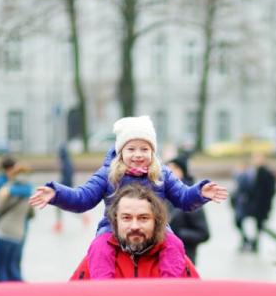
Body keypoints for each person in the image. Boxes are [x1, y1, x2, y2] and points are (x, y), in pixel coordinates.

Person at [29, 115, 227, 279]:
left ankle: (170, 286)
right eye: (131, 149)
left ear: (153, 152)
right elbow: (83, 197)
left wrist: (200, 192)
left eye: (144, 149)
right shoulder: (108, 173)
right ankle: (103, 290)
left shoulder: (161, 173)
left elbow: (183, 197)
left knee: (174, 244)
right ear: (120, 151)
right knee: (99, 247)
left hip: (155, 227)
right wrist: (57, 193)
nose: (138, 154)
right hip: (112, 227)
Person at [71, 183, 199, 279]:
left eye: (143, 218)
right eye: (126, 218)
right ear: (115, 221)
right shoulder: (97, 257)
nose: (134, 226)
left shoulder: (176, 257)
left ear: (157, 221)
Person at [0, 158, 33, 282]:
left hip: (5, 232)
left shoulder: (7, 186)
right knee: (14, 268)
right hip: (20, 233)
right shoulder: (28, 187)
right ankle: (22, 295)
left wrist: (8, 190)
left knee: (0, 268)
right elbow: (31, 212)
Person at [166, 158, 209, 264]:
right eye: (168, 168)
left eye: (175, 168)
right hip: (164, 258)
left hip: (185, 258)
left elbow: (204, 233)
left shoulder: (191, 197)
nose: (171, 171)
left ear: (183, 171)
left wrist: (177, 233)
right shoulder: (162, 193)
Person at [241, 152, 276, 252]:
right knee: (259, 225)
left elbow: (271, 190)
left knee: (260, 225)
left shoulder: (267, 173)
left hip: (262, 206)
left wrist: (267, 204)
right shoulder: (255, 172)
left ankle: (273, 239)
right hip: (255, 205)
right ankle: (256, 243)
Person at [53, 144, 74, 233]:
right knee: (67, 206)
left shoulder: (65, 163)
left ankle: (59, 224)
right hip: (66, 187)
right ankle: (59, 223)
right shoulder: (67, 161)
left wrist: (61, 187)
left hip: (65, 188)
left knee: (61, 206)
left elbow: (67, 177)